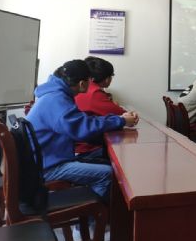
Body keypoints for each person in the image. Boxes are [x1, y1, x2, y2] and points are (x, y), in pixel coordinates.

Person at [26, 60, 138, 201]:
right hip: (47, 167)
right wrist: (121, 120)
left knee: (105, 165)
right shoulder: (57, 100)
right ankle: (93, 212)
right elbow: (84, 128)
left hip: (44, 160)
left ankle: (95, 208)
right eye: (89, 80)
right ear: (82, 84)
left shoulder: (53, 95)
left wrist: (118, 119)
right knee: (109, 173)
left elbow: (82, 121)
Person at [74, 56, 126, 154]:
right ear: (107, 78)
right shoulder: (94, 93)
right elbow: (122, 114)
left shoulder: (82, 88)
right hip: (86, 149)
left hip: (76, 145)